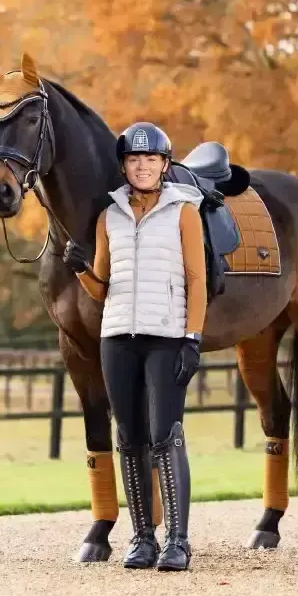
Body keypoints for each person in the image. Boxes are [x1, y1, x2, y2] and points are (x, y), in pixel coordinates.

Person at [62, 122, 206, 572]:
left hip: (166, 338)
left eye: (151, 159)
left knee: (167, 435)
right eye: (134, 159)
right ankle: (142, 538)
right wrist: (82, 271)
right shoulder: (111, 217)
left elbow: (197, 279)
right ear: (123, 166)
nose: (142, 166)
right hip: (117, 338)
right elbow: (103, 288)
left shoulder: (184, 212)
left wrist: (192, 337)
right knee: (129, 439)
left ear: (165, 165)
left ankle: (178, 540)